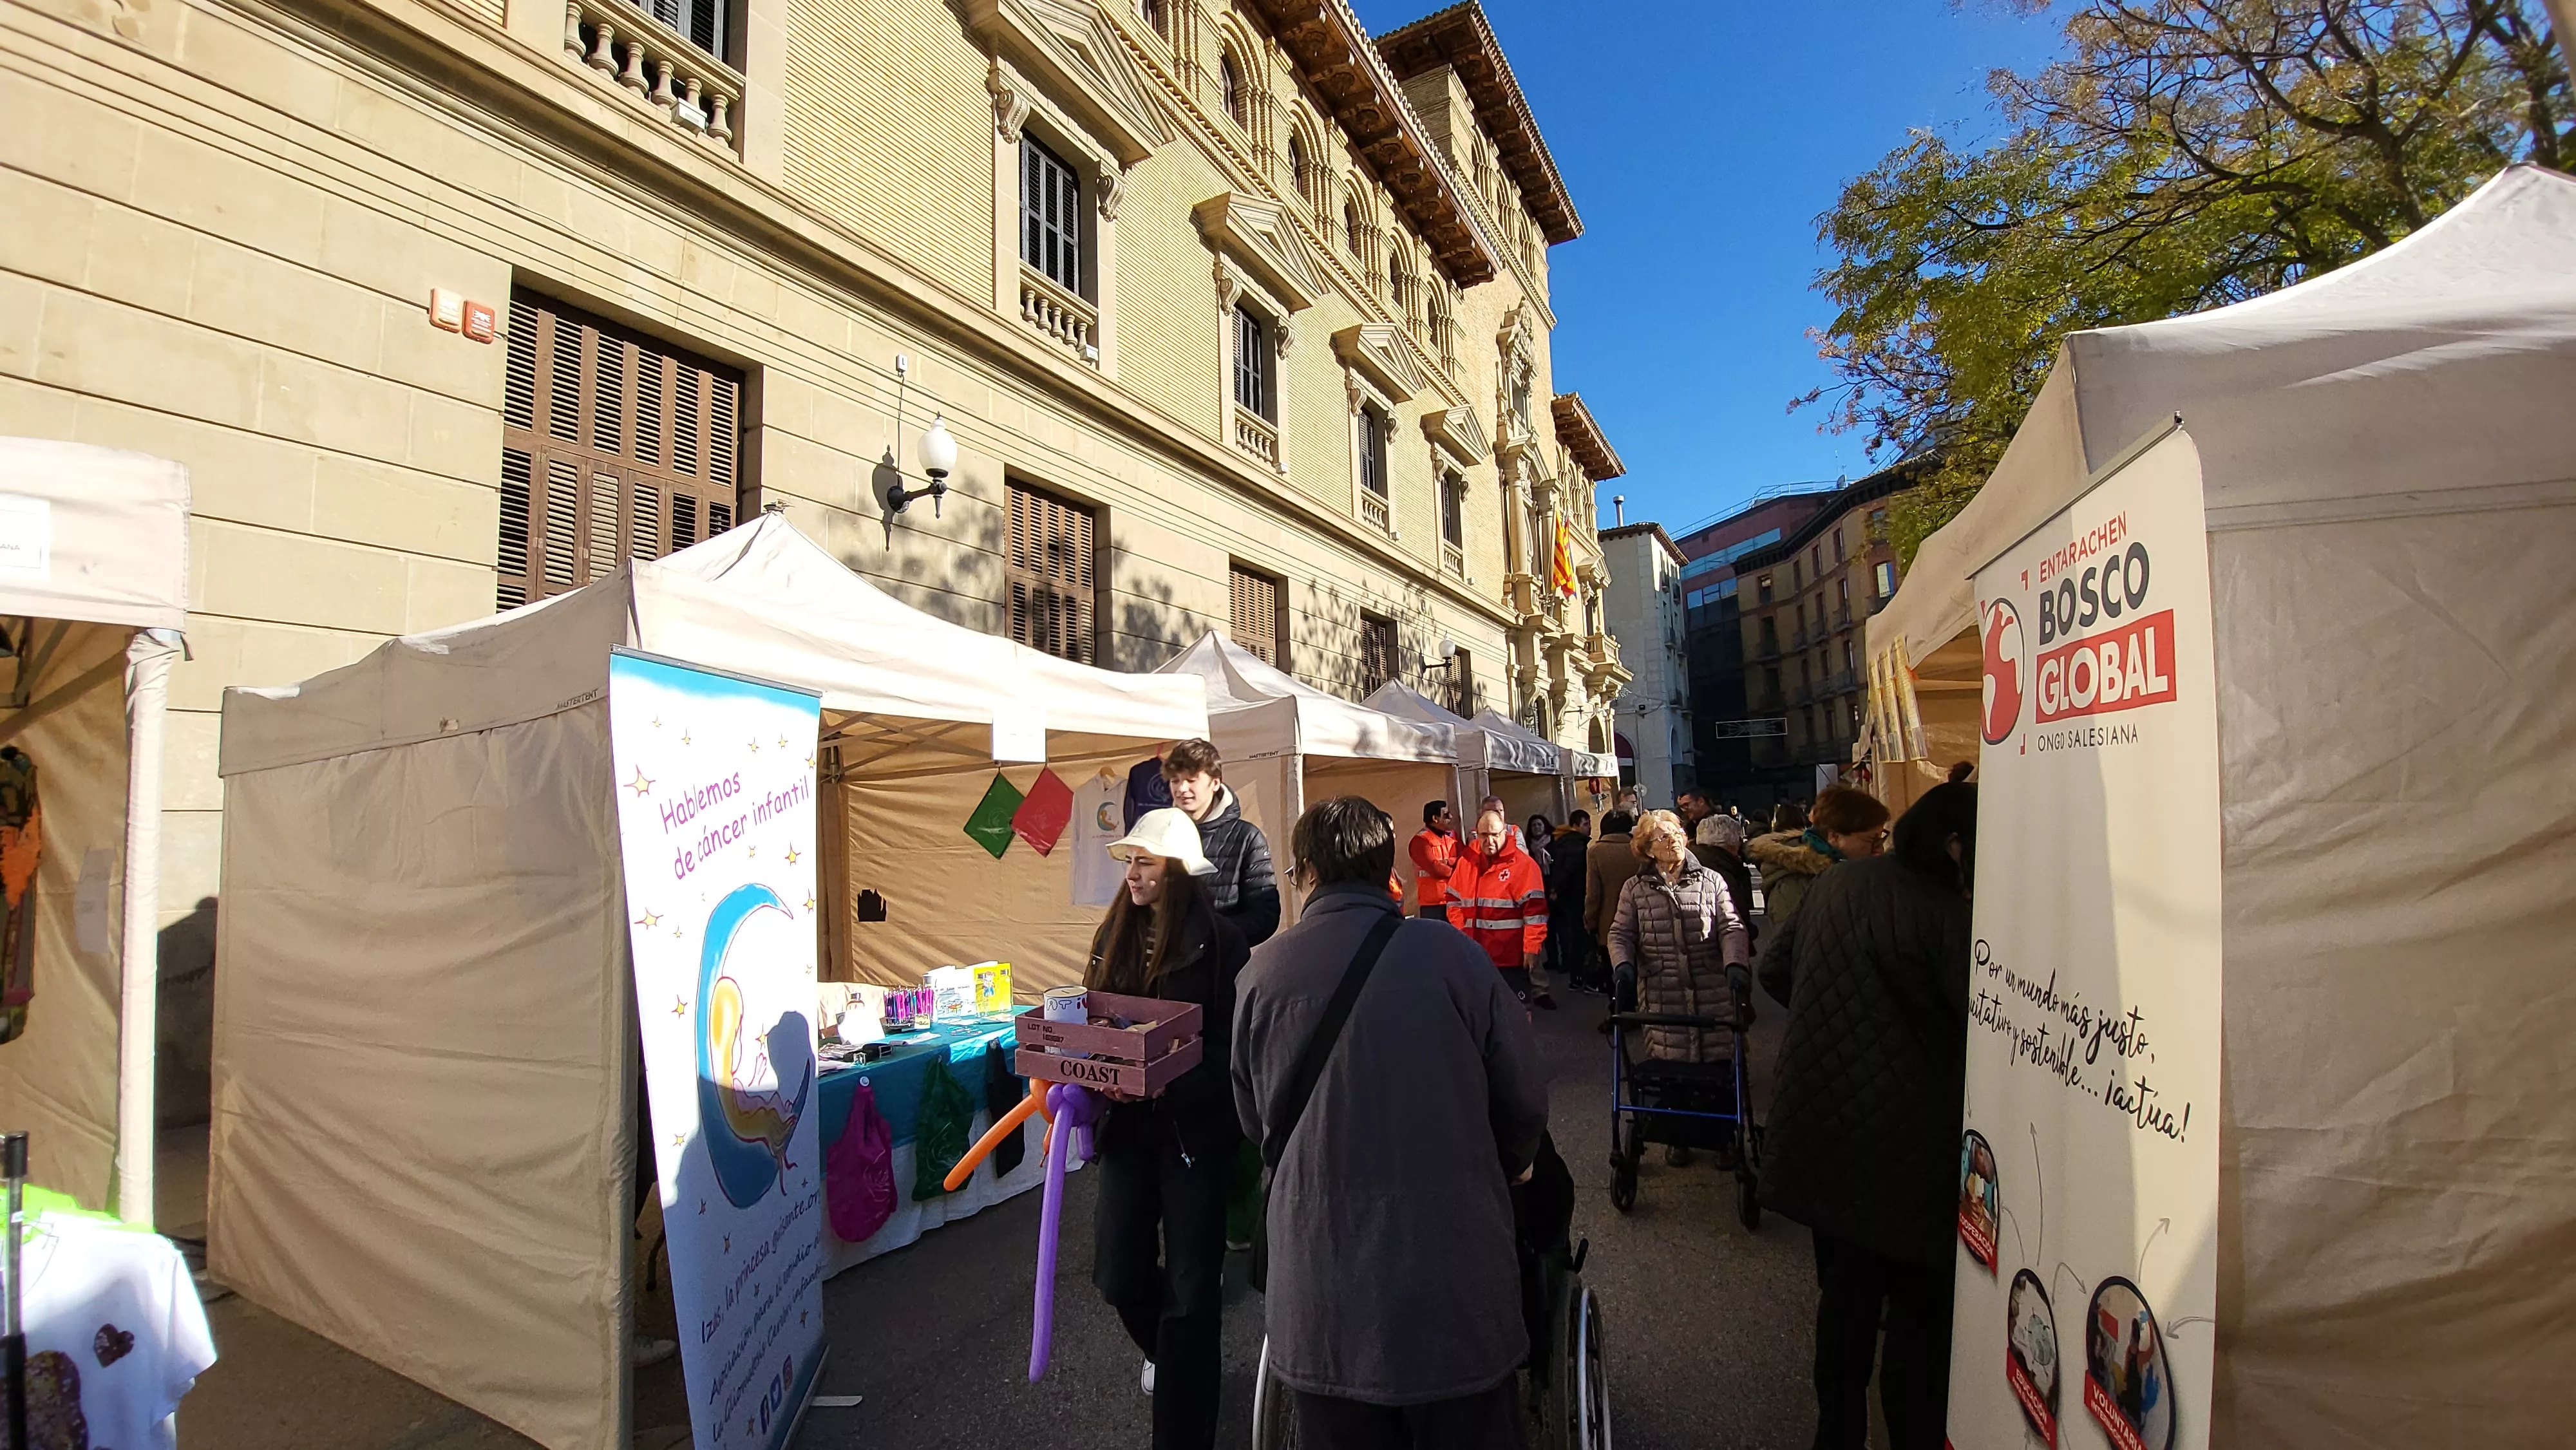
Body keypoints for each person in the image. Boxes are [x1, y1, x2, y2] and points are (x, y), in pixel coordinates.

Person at [1233, 796, 1548, 1447]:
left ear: (1308, 872)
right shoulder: (1453, 956)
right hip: (1454, 1274)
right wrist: (1515, 1162)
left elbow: (1253, 1116)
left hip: (1322, 1287)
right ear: (1388, 873)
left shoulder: (1262, 973)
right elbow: (1520, 1097)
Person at [1759, 782, 1977, 1450]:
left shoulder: (1836, 885)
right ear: (1952, 845)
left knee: (1845, 1295)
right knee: (1917, 1310)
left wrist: (1828, 1025)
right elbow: (1978, 1025)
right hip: (1911, 1137)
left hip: (1824, 1120)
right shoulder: (1947, 912)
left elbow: (1774, 968)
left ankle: (1838, 1431)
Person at [1083, 808, 1249, 1450]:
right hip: (1126, 1129)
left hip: (1194, 1135)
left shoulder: (1223, 943)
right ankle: (1184, 1366)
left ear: (1177, 871)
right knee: (1118, 1274)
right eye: (1129, 860)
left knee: (1190, 1290)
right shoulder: (1110, 933)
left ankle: (1186, 1428)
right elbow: (1095, 1013)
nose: (1132, 872)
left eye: (1144, 861)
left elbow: (1233, 1050)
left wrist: (1171, 1079)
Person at [1609, 811, 1750, 1165]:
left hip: (1711, 989)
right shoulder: (1635, 889)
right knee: (1672, 1072)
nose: (1671, 840)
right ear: (1647, 849)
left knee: (1718, 1068)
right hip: (1662, 991)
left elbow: (1731, 926)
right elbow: (1620, 934)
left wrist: (1735, 964)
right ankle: (1679, 1138)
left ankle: (1724, 1138)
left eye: (1675, 833)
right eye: (1661, 838)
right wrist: (1623, 965)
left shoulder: (1712, 880)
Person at [1751, 786, 1889, 1005]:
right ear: (1835, 837)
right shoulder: (1794, 883)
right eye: (1870, 840)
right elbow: (1791, 965)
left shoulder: (1852, 871)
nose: (1879, 850)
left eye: (1881, 838)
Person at [1162, 738, 1280, 946]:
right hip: (1164, 964)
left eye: (1191, 779)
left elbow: (1265, 915)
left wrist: (1213, 934)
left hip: (1222, 966)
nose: (1182, 788)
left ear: (1215, 782)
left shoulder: (1246, 837)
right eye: (1175, 780)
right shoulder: (1160, 832)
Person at [1448, 807, 1552, 1006]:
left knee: (1516, 1014)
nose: (1490, 841)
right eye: (1484, 835)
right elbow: (1453, 899)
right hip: (1475, 954)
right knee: (1481, 1012)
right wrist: (1460, 932)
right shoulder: (1467, 862)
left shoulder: (1524, 866)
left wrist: (1532, 947)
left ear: (1504, 832)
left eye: (1495, 835)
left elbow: (1536, 913)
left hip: (1509, 956)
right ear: (1476, 834)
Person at [1584, 809, 1646, 972]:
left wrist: (1590, 921)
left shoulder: (1596, 851)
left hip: (1609, 921)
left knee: (1616, 975)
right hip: (1642, 919)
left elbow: (1593, 894)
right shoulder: (1640, 849)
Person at [1692, 814, 1757, 954]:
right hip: (1723, 950)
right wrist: (1750, 931)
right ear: (1732, 842)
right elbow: (1735, 915)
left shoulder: (1693, 861)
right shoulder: (1723, 870)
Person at [1545, 811, 1595, 991]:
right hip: (1578, 895)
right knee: (1581, 938)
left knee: (1572, 936)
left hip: (1566, 897)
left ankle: (1576, 976)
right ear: (1576, 826)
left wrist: (1556, 890)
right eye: (1586, 824)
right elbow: (1570, 872)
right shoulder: (1578, 846)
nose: (1589, 827)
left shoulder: (1561, 844)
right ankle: (1581, 977)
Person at [1408, 801, 1461, 921]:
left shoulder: (1452, 836)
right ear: (1435, 819)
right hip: (1433, 906)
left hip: (1455, 900)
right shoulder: (1420, 841)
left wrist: (1448, 862)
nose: (1451, 818)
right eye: (1446, 815)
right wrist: (1458, 868)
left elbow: (1466, 860)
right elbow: (1436, 870)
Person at [1122, 741, 1173, 829]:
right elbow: (1129, 808)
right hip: (1148, 831)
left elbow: (1129, 810)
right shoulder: (1137, 771)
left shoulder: (1138, 770)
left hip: (1146, 829)